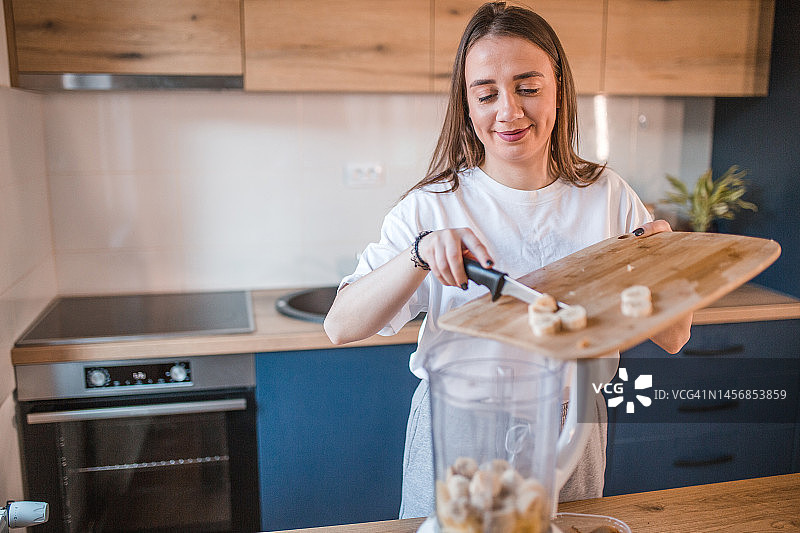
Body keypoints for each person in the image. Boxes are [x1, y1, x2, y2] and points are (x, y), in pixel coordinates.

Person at [324, 1, 692, 519]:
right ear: (467, 104)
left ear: (558, 89)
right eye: (487, 94)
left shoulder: (609, 197)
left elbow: (675, 337)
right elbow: (340, 326)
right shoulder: (432, 206)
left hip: (572, 424)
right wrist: (420, 252)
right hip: (456, 434)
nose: (509, 112)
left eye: (528, 87)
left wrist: (663, 265)